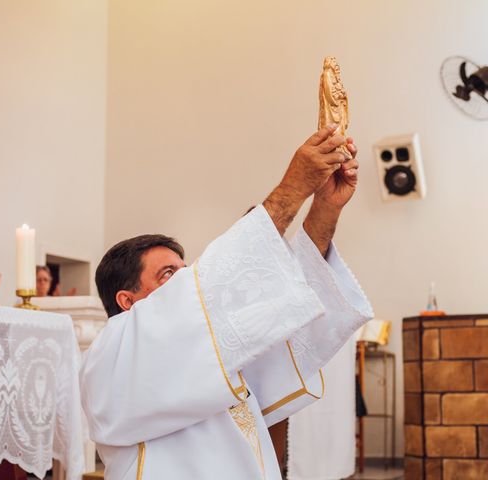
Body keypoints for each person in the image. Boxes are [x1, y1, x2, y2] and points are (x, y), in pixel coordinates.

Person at [81, 124, 374, 479]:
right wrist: (294, 186)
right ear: (127, 300)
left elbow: (289, 327)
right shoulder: (112, 352)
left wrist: (324, 210)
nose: (186, 284)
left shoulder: (213, 354)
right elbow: (206, 293)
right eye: (169, 275)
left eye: (185, 272)